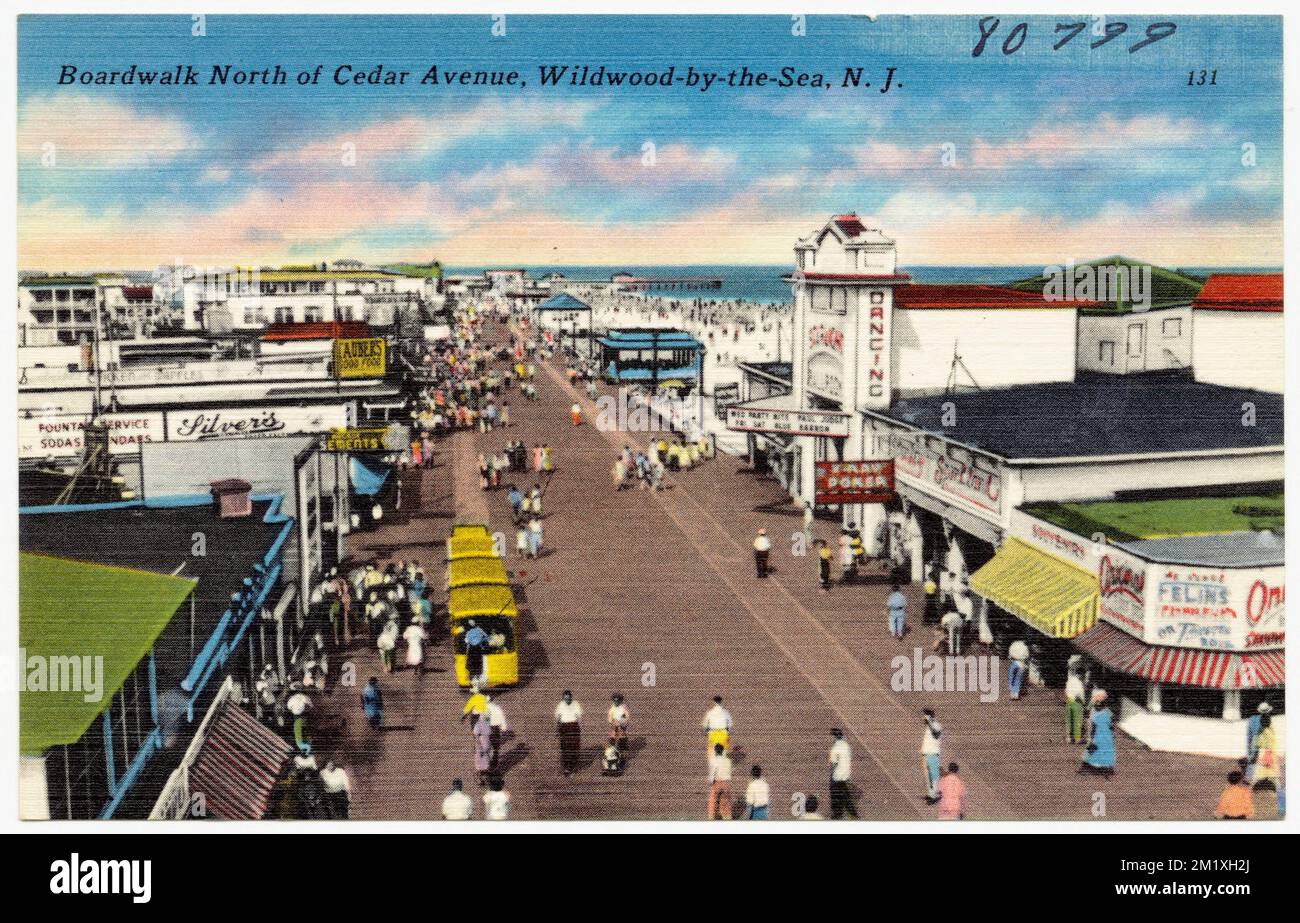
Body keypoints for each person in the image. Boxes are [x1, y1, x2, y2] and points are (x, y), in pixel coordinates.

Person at [1080, 690, 1116, 777]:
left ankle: (1086, 768)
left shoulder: (1098, 709)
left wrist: (1091, 737)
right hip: (1104, 733)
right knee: (1101, 750)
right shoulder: (1106, 710)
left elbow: (1093, 723)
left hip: (1100, 733)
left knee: (1092, 749)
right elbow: (1111, 723)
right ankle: (1103, 769)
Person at [828, 728, 857, 819]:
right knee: (845, 793)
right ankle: (852, 813)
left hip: (838, 776)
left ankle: (837, 814)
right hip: (846, 774)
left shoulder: (835, 748)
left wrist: (832, 776)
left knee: (835, 794)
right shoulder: (846, 745)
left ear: (834, 737)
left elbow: (833, 763)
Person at [555, 690, 583, 776]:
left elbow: (579, 718)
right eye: (565, 699)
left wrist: (578, 728)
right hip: (564, 727)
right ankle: (566, 767)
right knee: (565, 747)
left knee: (574, 747)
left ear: (571, 697)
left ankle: (573, 766)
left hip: (573, 726)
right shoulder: (560, 705)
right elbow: (558, 717)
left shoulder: (576, 704)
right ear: (563, 698)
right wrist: (557, 729)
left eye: (569, 698)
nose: (567, 700)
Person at [1246, 702, 1273, 782]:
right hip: (1264, 741)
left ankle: (1249, 777)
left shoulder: (1252, 719)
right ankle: (1265, 779)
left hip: (1254, 741)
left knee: (1252, 760)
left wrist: (1249, 747)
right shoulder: (1268, 719)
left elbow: (1249, 735)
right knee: (1265, 761)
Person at [921, 709, 943, 803]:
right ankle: (931, 794)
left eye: (925, 716)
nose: (924, 718)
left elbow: (936, 735)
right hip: (927, 754)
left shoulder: (936, 725)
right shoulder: (929, 727)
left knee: (933, 776)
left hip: (932, 754)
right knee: (929, 776)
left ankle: (934, 796)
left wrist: (929, 722)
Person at [707, 743, 733, 820]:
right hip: (726, 782)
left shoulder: (714, 760)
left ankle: (712, 817)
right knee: (725, 802)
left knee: (713, 801)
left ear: (715, 751)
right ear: (723, 751)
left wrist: (711, 781)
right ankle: (727, 817)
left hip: (717, 782)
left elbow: (713, 772)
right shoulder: (728, 761)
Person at [1065, 660, 1086, 744]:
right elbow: (1080, 694)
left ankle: (1069, 738)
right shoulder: (1079, 682)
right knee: (1077, 721)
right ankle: (1077, 739)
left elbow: (1066, 690)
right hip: (1077, 702)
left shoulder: (1070, 680)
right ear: (1080, 674)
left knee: (1069, 720)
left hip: (1069, 700)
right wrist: (1084, 703)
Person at [473, 710, 494, 786]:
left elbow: (476, 735)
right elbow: (490, 733)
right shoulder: (487, 724)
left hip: (481, 743)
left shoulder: (478, 724)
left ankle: (480, 780)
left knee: (479, 762)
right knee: (487, 759)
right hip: (486, 742)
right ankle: (487, 778)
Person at [608, 694, 630, 762]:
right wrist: (612, 721)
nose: (616, 703)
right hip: (615, 723)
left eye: (617, 701)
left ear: (621, 701)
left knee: (622, 734)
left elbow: (626, 716)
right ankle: (612, 747)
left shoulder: (624, 708)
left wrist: (620, 721)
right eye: (614, 701)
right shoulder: (612, 708)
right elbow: (610, 716)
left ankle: (623, 749)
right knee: (613, 734)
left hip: (622, 723)